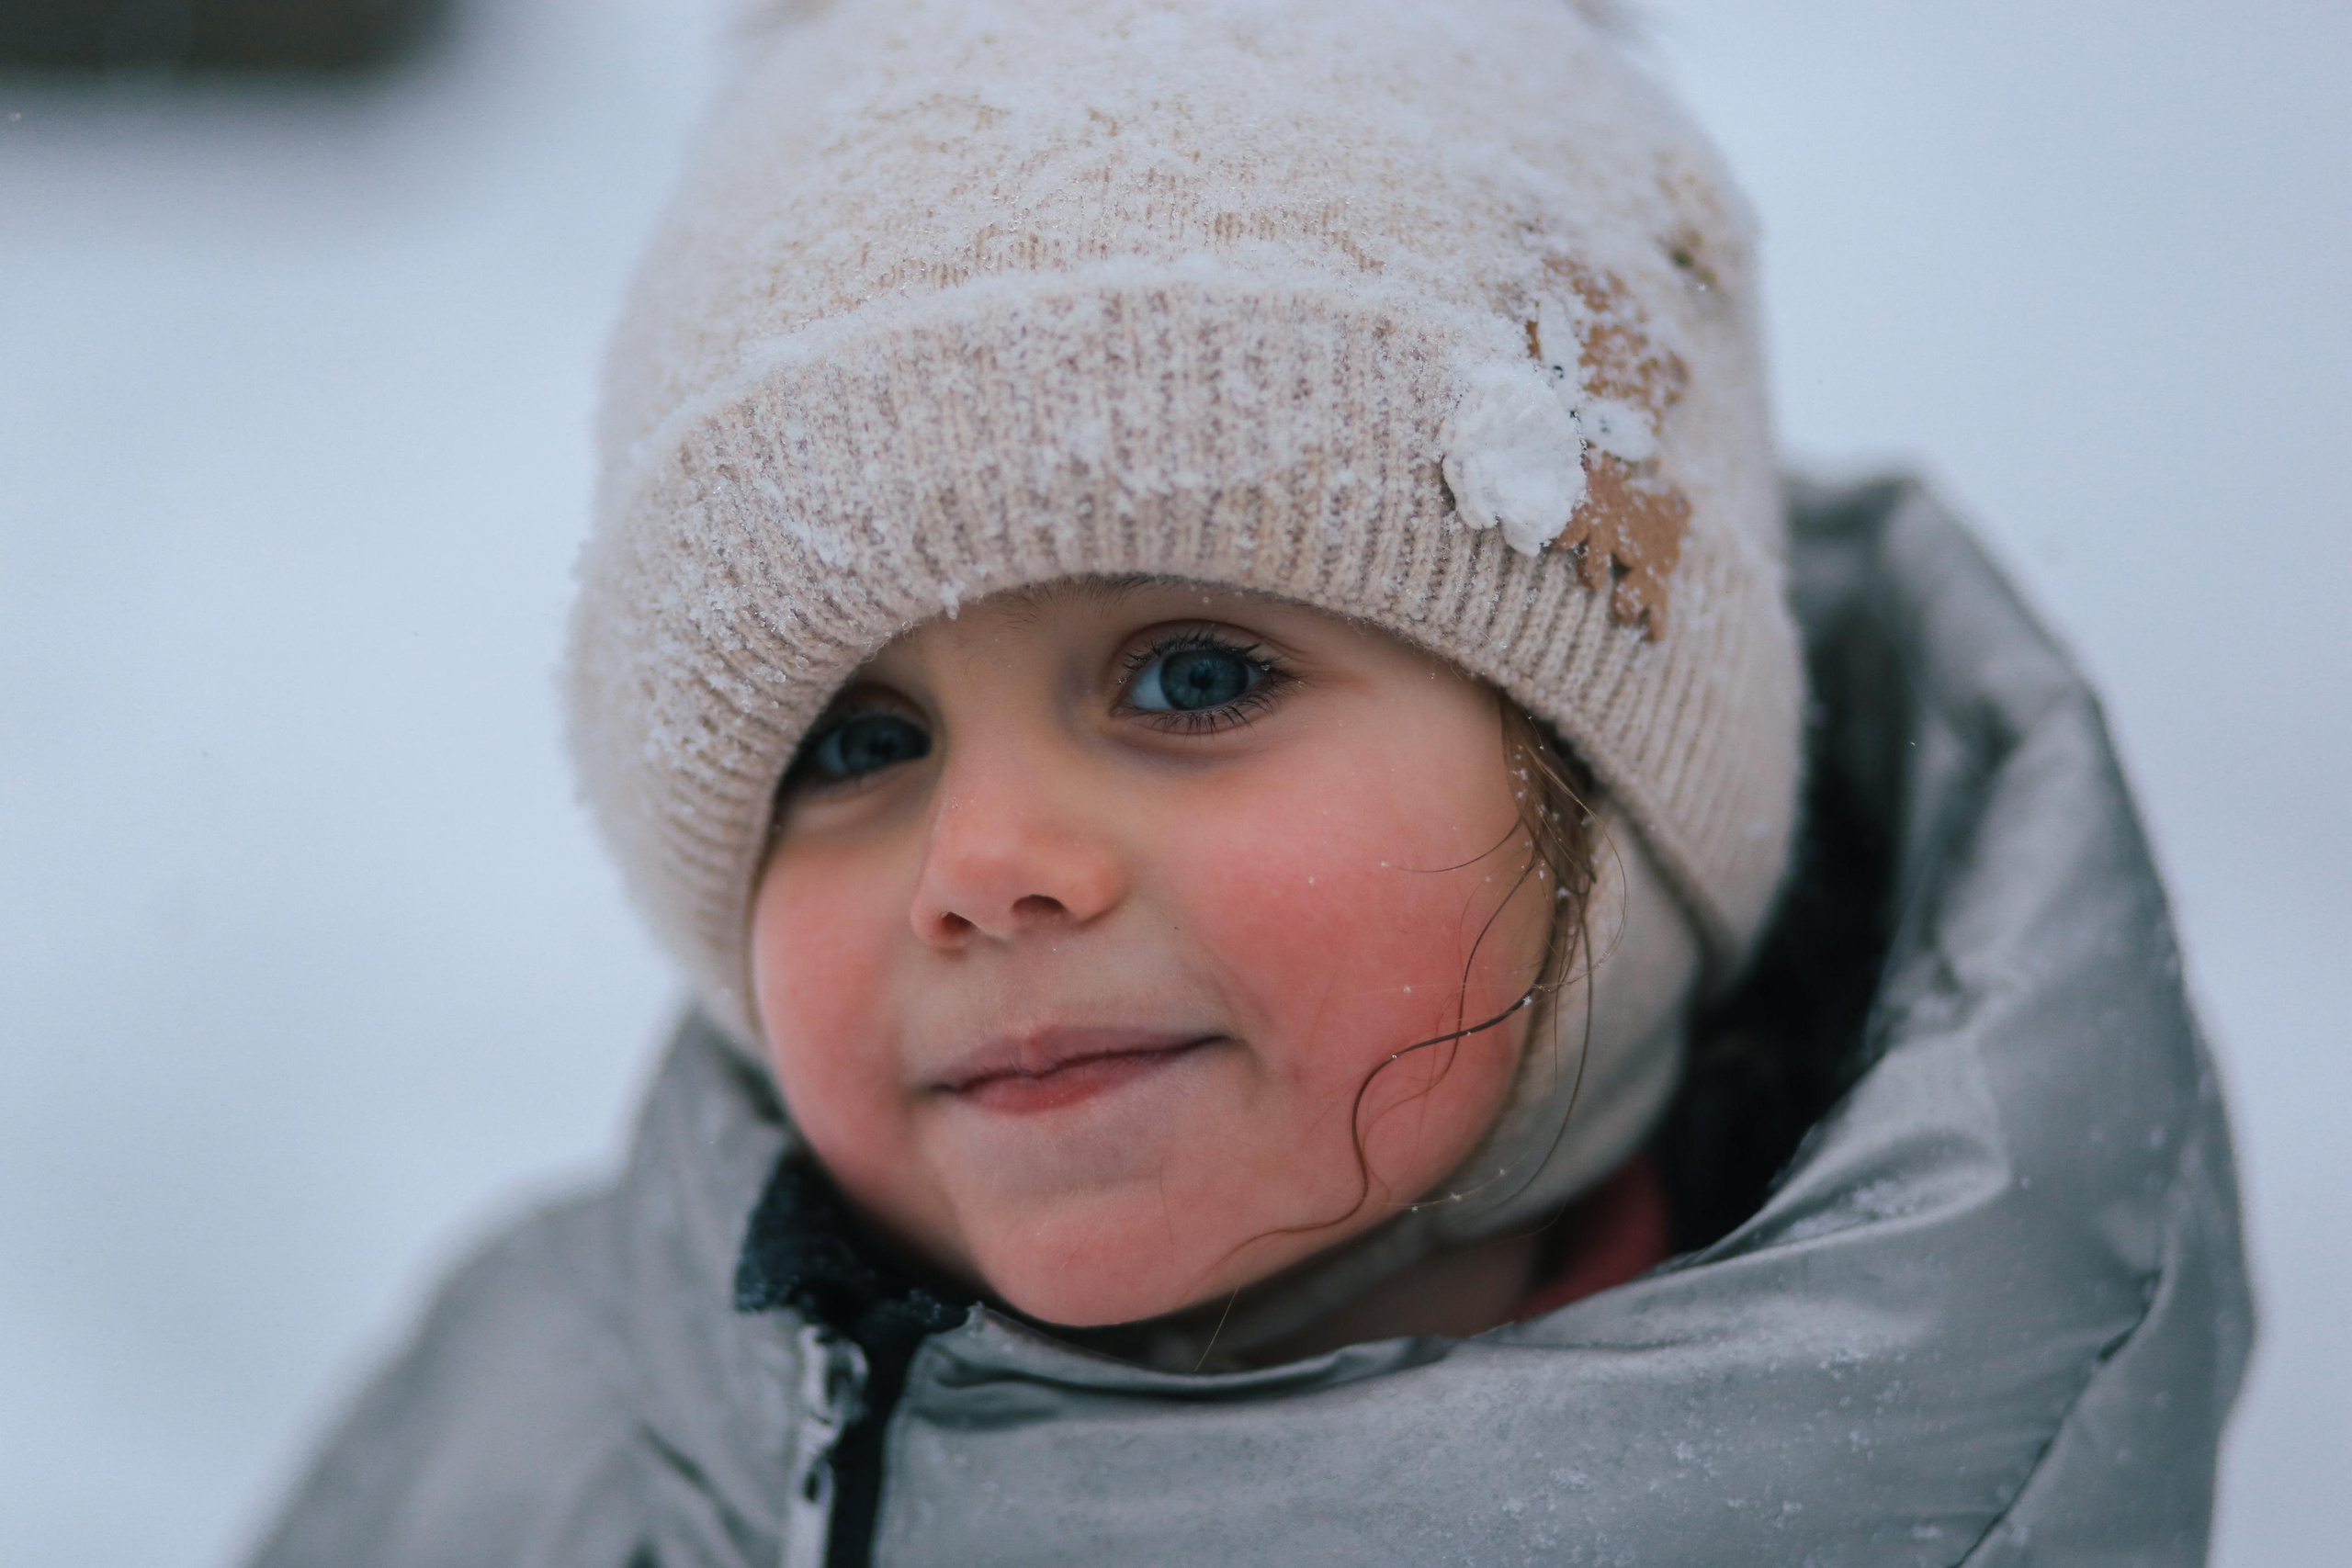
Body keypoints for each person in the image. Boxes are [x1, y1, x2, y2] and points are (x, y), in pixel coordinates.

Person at [246, 3, 2252, 1564]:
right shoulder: (547, 1437)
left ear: (1623, 793)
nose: (985, 864)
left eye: (1192, 677)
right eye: (861, 744)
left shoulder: (1956, 1477)